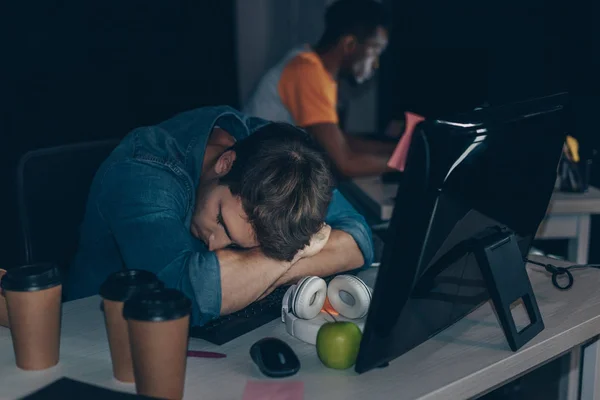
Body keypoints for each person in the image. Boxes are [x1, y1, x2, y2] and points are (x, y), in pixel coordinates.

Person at [67, 106, 374, 327]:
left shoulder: (278, 156)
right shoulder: (142, 173)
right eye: (221, 222)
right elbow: (184, 296)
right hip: (99, 342)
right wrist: (294, 251)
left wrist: (251, 272)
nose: (216, 246)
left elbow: (358, 239)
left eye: (239, 244)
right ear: (226, 163)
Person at [244, 0, 399, 178]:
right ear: (349, 44)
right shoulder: (307, 71)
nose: (376, 64)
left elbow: (338, 139)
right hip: (256, 175)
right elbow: (345, 163)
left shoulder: (315, 68)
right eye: (375, 51)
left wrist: (395, 149)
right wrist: (406, 161)